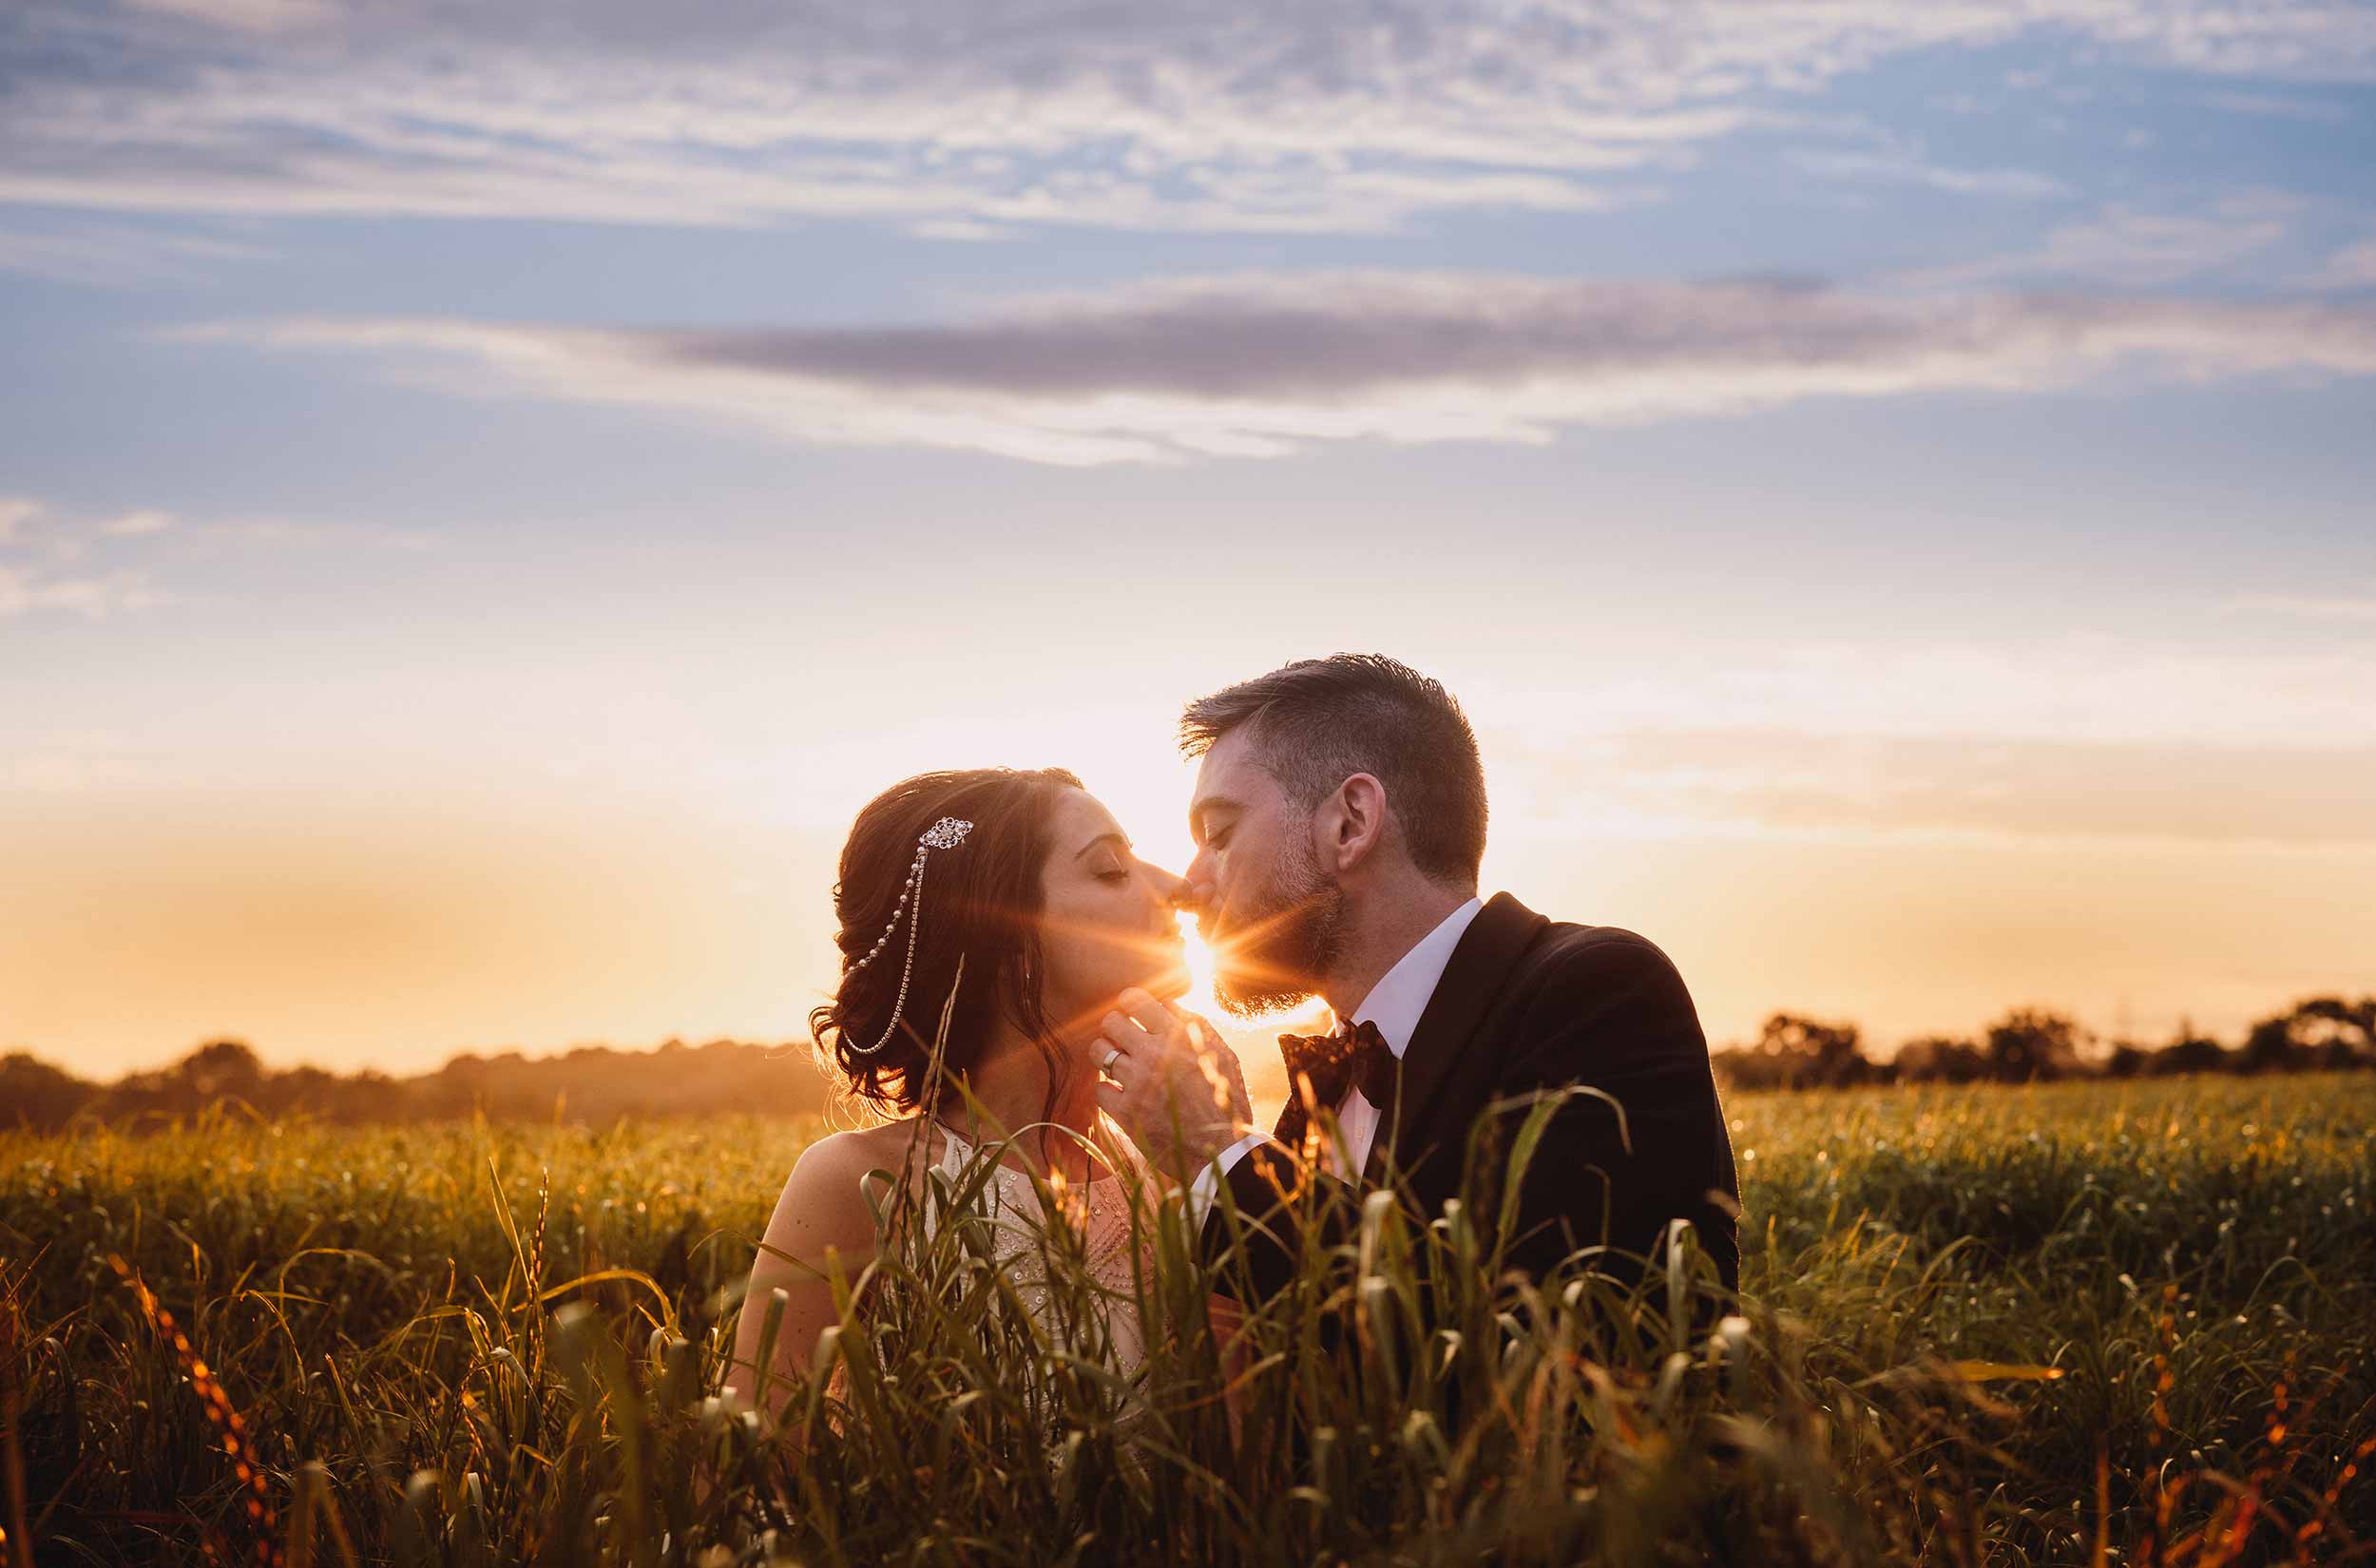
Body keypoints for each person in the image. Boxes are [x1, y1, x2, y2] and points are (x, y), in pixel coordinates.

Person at [1092, 654, 1740, 1305]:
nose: (1191, 883)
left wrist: (1217, 1152)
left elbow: (1543, 1328)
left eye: (1219, 834)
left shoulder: (1596, 993)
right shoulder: (1329, 1078)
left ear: (1350, 823)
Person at [724, 766, 1236, 1417]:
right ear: (1001, 930)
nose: (1176, 888)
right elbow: (753, 1457)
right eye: (1111, 869)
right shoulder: (864, 1184)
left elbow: (1248, 1436)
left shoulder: (1171, 1162)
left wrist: (1221, 1154)